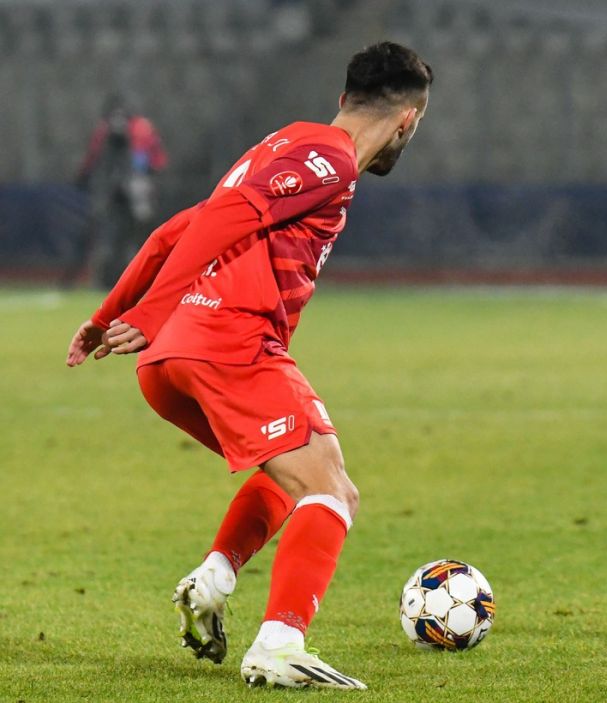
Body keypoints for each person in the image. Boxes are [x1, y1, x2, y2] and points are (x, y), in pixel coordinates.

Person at [65, 41, 433, 689]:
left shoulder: (288, 141)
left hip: (174, 358)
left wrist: (111, 314)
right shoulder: (329, 161)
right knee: (331, 492)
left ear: (342, 99)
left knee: (301, 468)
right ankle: (280, 642)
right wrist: (148, 311)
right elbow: (227, 218)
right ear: (407, 120)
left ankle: (212, 581)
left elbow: (175, 230)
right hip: (227, 343)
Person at [68, 94, 169, 288]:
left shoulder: (110, 128)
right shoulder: (143, 127)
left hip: (124, 186)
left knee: (114, 234)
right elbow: (157, 159)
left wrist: (83, 176)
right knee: (137, 234)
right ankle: (139, 278)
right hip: (135, 186)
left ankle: (109, 279)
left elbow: (93, 156)